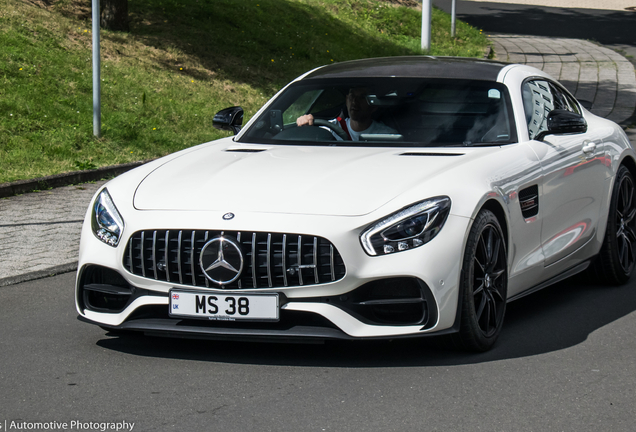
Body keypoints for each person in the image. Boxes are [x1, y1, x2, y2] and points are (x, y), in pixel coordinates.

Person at [296, 87, 396, 140]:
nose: (354, 102)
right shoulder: (331, 128)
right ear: (347, 100)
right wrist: (305, 124)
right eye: (352, 96)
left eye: (362, 97)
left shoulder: (387, 136)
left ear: (374, 106)